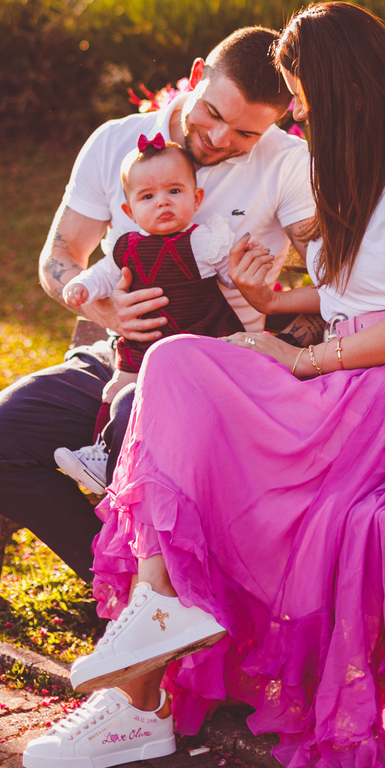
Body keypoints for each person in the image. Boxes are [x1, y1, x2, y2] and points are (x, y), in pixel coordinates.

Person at [22, 1, 385, 768]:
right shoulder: (374, 152)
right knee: (174, 365)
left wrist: (304, 360)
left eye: (302, 97)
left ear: (345, 84)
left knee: (212, 441)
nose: (298, 115)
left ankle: (137, 698)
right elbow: (360, 294)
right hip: (355, 370)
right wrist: (273, 304)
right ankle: (156, 621)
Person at [0, 26, 315, 586]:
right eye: (212, 113)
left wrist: (277, 314)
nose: (219, 138)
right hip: (121, 359)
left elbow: (334, 279)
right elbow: (60, 255)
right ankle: (122, 589)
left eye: (245, 132)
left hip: (218, 373)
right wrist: (105, 313)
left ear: (278, 121)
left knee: (129, 425)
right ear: (196, 76)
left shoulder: (287, 163)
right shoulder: (114, 142)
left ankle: (164, 600)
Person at [54, 134, 241, 497]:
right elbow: (102, 274)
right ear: (130, 212)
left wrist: (243, 273)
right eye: (148, 197)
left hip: (198, 341)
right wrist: (82, 286)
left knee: (183, 402)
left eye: (174, 191)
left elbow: (230, 276)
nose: (163, 202)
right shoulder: (125, 247)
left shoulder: (203, 241)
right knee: (116, 391)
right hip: (143, 345)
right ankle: (103, 457)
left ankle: (174, 465)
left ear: (196, 198)